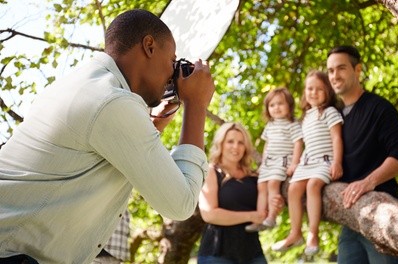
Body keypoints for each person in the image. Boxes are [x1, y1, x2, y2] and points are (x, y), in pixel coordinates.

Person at [0, 9, 215, 263]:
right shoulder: (113, 103)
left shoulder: (85, 84)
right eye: (172, 60)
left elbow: (93, 157)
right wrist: (196, 104)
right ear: (149, 46)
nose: (172, 74)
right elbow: (180, 204)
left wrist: (152, 126)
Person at [326, 45, 398, 264]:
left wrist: (369, 181)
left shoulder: (378, 108)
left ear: (357, 70)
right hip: (351, 221)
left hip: (382, 214)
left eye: (341, 68)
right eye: (330, 71)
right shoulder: (333, 116)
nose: (335, 75)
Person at [272, 70, 344, 256]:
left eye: (319, 89)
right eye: (310, 88)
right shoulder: (306, 117)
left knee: (313, 186)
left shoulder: (329, 112)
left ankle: (313, 233)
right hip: (307, 162)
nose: (313, 92)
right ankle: (295, 232)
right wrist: (295, 163)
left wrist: (337, 162)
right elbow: (304, 144)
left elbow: (337, 138)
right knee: (294, 189)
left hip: (324, 161)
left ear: (328, 91)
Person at [197, 122, 283, 264]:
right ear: (221, 143)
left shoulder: (255, 176)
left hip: (252, 252)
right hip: (217, 253)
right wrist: (251, 216)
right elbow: (209, 214)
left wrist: (275, 207)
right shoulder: (211, 171)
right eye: (230, 141)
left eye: (241, 143)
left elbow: (263, 216)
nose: (235, 147)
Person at [245, 87, 303, 232]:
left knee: (272, 184)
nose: (276, 108)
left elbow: (298, 143)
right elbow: (267, 145)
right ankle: (259, 217)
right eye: (272, 105)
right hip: (269, 162)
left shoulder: (292, 123)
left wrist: (295, 163)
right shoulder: (270, 126)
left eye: (280, 104)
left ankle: (271, 216)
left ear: (289, 106)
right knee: (261, 186)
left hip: (283, 160)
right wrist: (263, 163)